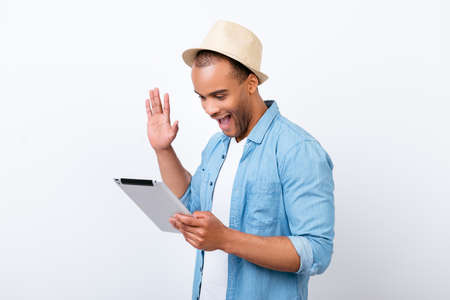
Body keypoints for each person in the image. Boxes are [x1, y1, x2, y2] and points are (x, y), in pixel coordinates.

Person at [145, 20, 335, 300]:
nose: (209, 109)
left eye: (219, 95)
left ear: (251, 83)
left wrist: (224, 239)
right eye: (202, 98)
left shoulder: (298, 150)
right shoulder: (217, 146)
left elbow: (317, 251)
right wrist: (163, 150)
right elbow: (191, 206)